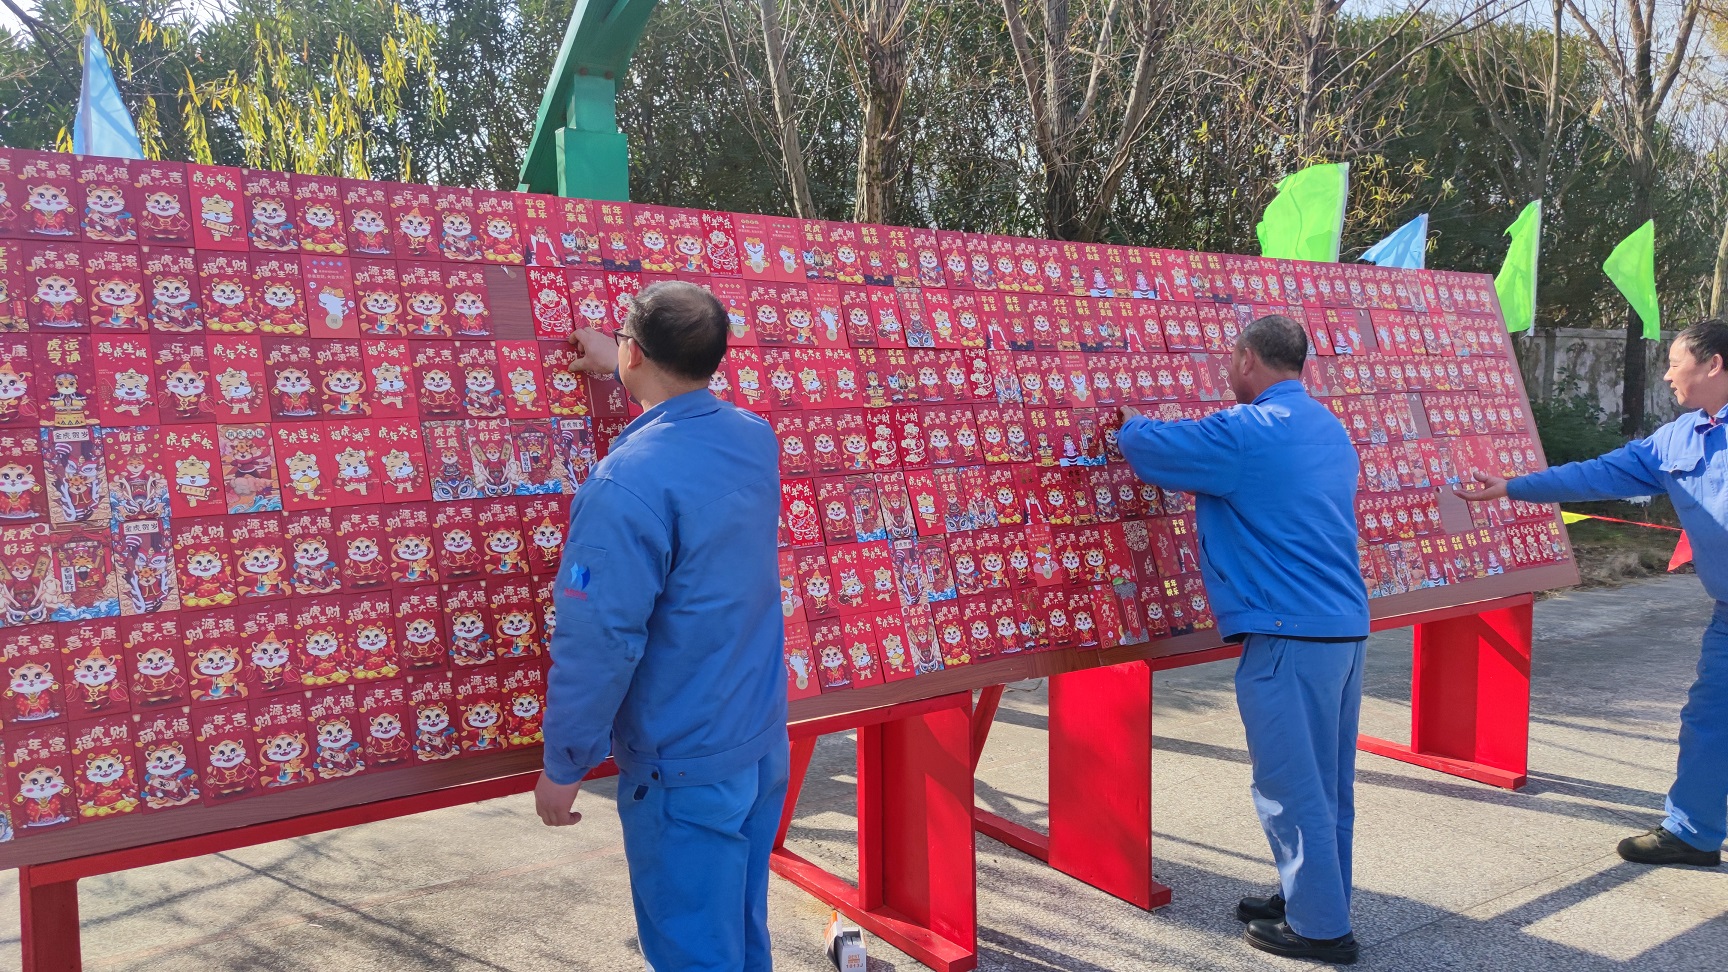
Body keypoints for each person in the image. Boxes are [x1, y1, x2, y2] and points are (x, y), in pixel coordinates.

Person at [535, 280, 790, 971]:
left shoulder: (622, 487)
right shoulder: (752, 438)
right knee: (740, 931)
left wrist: (565, 763)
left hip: (682, 761)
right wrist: (627, 370)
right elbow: (685, 444)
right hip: (757, 738)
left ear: (635, 353)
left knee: (694, 951)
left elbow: (599, 640)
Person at [1117, 314, 1369, 964]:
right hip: (1342, 631)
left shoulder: (1249, 430)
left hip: (1289, 634)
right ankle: (1312, 898)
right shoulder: (1327, 427)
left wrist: (1128, 423)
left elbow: (1155, 452)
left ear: (1247, 358)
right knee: (1328, 784)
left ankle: (1321, 930)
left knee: (1291, 786)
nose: (1228, 370)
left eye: (1231, 360)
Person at [1455, 318, 1728, 869]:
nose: (1668, 374)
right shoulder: (1677, 438)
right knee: (1710, 718)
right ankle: (1693, 833)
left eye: (1675, 362)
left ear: (1713, 364)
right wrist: (1513, 488)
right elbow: (1599, 474)